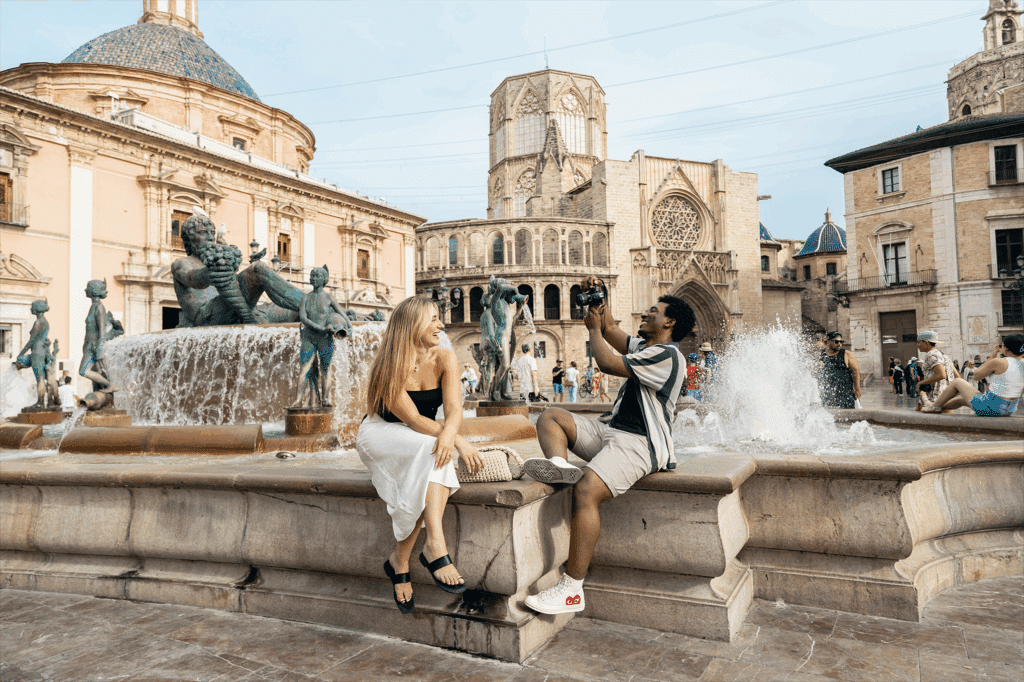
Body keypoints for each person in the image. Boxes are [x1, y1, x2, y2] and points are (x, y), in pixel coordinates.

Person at [521, 283, 695, 615]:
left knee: (586, 491)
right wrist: (599, 303)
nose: (646, 313)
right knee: (551, 417)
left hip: (640, 443)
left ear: (670, 323)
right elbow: (612, 329)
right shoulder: (646, 345)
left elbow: (607, 362)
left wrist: (592, 330)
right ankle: (559, 466)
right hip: (610, 430)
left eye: (654, 312)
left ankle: (572, 589)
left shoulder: (669, 355)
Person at [355, 297, 484, 613]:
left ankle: (400, 561)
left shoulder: (446, 358)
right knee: (432, 452)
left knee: (429, 460)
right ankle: (435, 546)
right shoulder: (390, 363)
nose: (441, 325)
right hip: (380, 432)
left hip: (422, 432)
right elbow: (411, 418)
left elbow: (454, 410)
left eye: (440, 319)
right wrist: (459, 444)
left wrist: (452, 436)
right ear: (413, 325)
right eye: (434, 319)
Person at [922, 335, 1024, 416]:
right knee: (962, 399)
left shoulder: (999, 362)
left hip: (992, 408)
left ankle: (934, 406)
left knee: (958, 382)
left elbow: (976, 375)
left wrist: (993, 356)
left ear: (1005, 348)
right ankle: (939, 407)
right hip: (1010, 409)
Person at [292, 266, 347, 409]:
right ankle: (298, 400)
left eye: (316, 276)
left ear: (323, 280)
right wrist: (322, 328)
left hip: (325, 339)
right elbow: (303, 318)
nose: (313, 279)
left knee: (325, 370)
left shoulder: (329, 298)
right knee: (304, 369)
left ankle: (325, 399)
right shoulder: (306, 297)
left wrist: (349, 327)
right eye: (312, 276)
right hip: (309, 338)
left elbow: (342, 314)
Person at [915, 331, 959, 410]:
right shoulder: (944, 355)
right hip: (946, 395)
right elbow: (957, 376)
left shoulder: (931, 354)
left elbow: (941, 375)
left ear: (926, 342)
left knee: (921, 420)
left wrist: (920, 383)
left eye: (918, 342)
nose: (917, 345)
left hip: (933, 396)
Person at [819, 331, 861, 408]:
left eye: (841, 342)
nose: (839, 344)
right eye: (836, 341)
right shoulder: (822, 355)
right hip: (828, 393)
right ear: (828, 342)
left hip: (845, 393)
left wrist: (857, 389)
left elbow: (856, 371)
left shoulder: (847, 354)